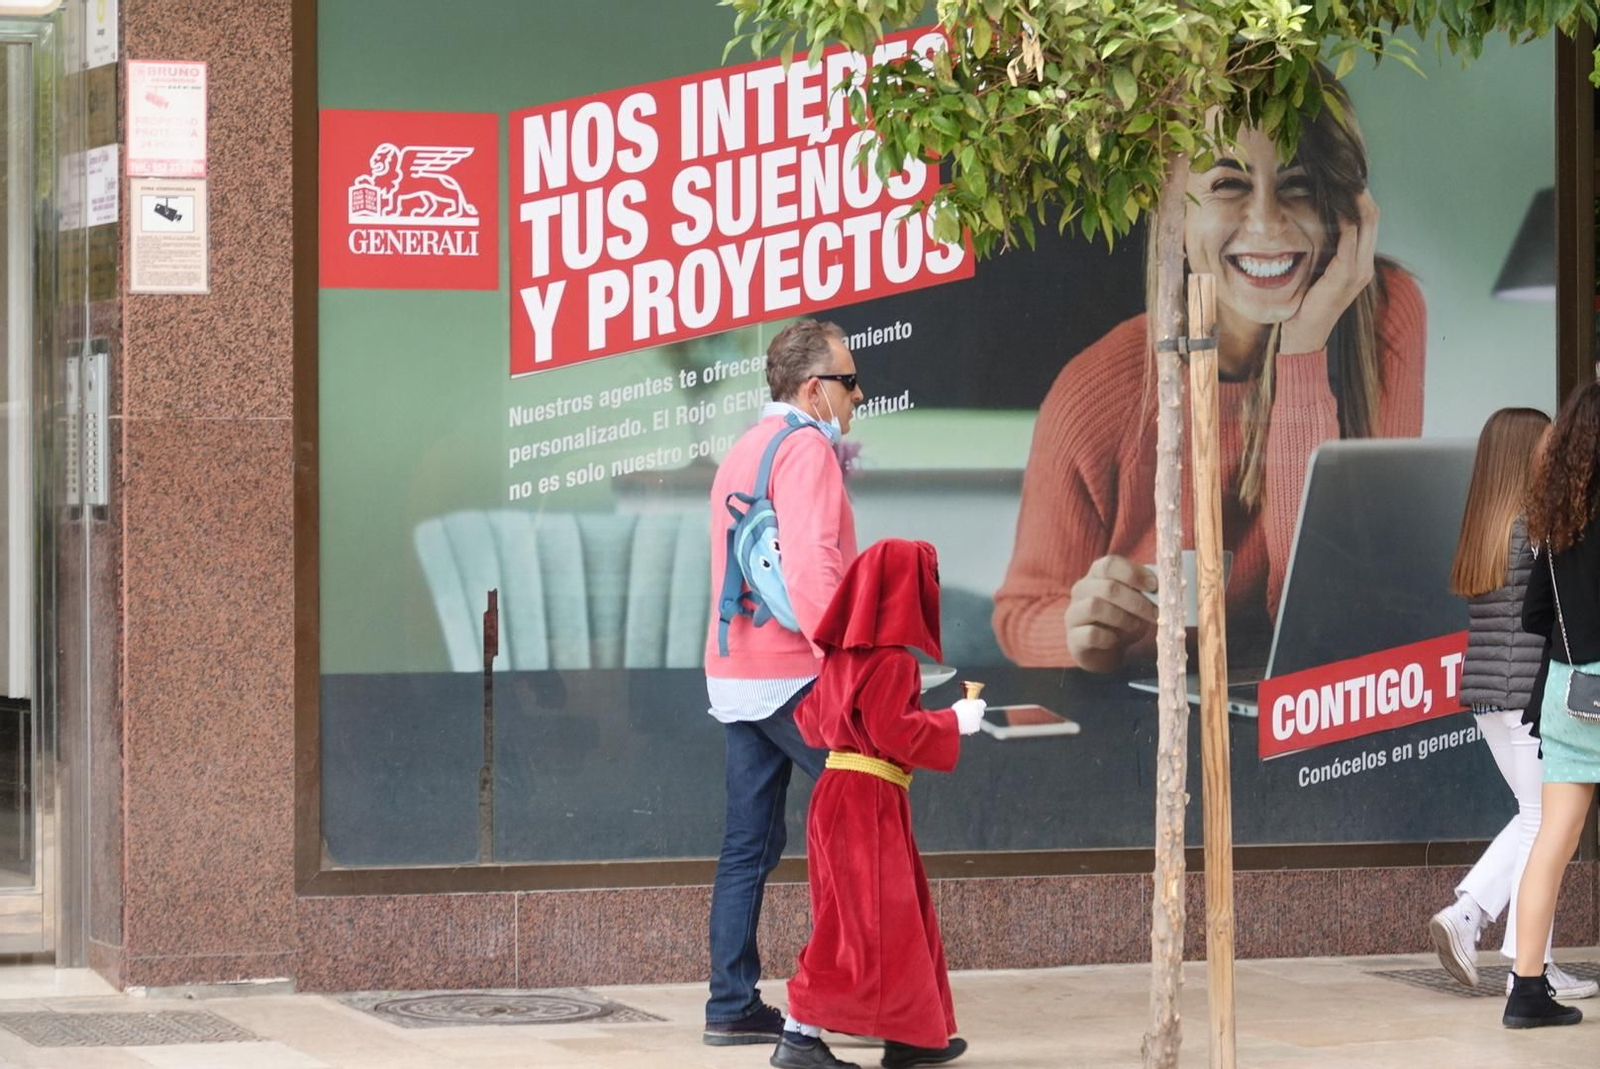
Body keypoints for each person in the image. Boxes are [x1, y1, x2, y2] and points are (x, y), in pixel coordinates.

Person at [993, 76, 1426, 672]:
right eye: (1228, 183)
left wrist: (1303, 348)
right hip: (1154, 713)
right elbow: (1021, 613)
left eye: (1299, 185)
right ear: (1172, 207)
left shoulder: (1382, 314)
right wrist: (1080, 631)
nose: (1268, 223)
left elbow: (1328, 617)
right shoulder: (1096, 392)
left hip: (1309, 705)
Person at [702, 318, 868, 1047]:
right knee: (863, 821)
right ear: (812, 388)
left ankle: (731, 1003)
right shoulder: (805, 449)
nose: (859, 395)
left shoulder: (743, 448)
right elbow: (811, 570)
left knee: (747, 845)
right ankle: (841, 1002)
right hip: (794, 674)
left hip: (737, 673)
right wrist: (848, 652)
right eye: (850, 382)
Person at [773, 539, 985, 1069]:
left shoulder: (843, 658)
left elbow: (810, 722)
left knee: (883, 917)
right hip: (869, 799)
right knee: (861, 922)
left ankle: (912, 1032)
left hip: (843, 794)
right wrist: (953, 721)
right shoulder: (892, 663)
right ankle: (798, 1035)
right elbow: (895, 731)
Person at [1426, 409, 1597, 1001]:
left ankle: (1469, 913)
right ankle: (1531, 967)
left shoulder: (1484, 527)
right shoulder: (1537, 526)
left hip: (1484, 696)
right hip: (1526, 692)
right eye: (1548, 442)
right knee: (1544, 822)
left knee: (1533, 814)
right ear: (1528, 452)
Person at [1504, 380, 1600, 1029]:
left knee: (1553, 840)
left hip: (1570, 688)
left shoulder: (1558, 520)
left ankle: (1525, 989)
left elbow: (1535, 611)